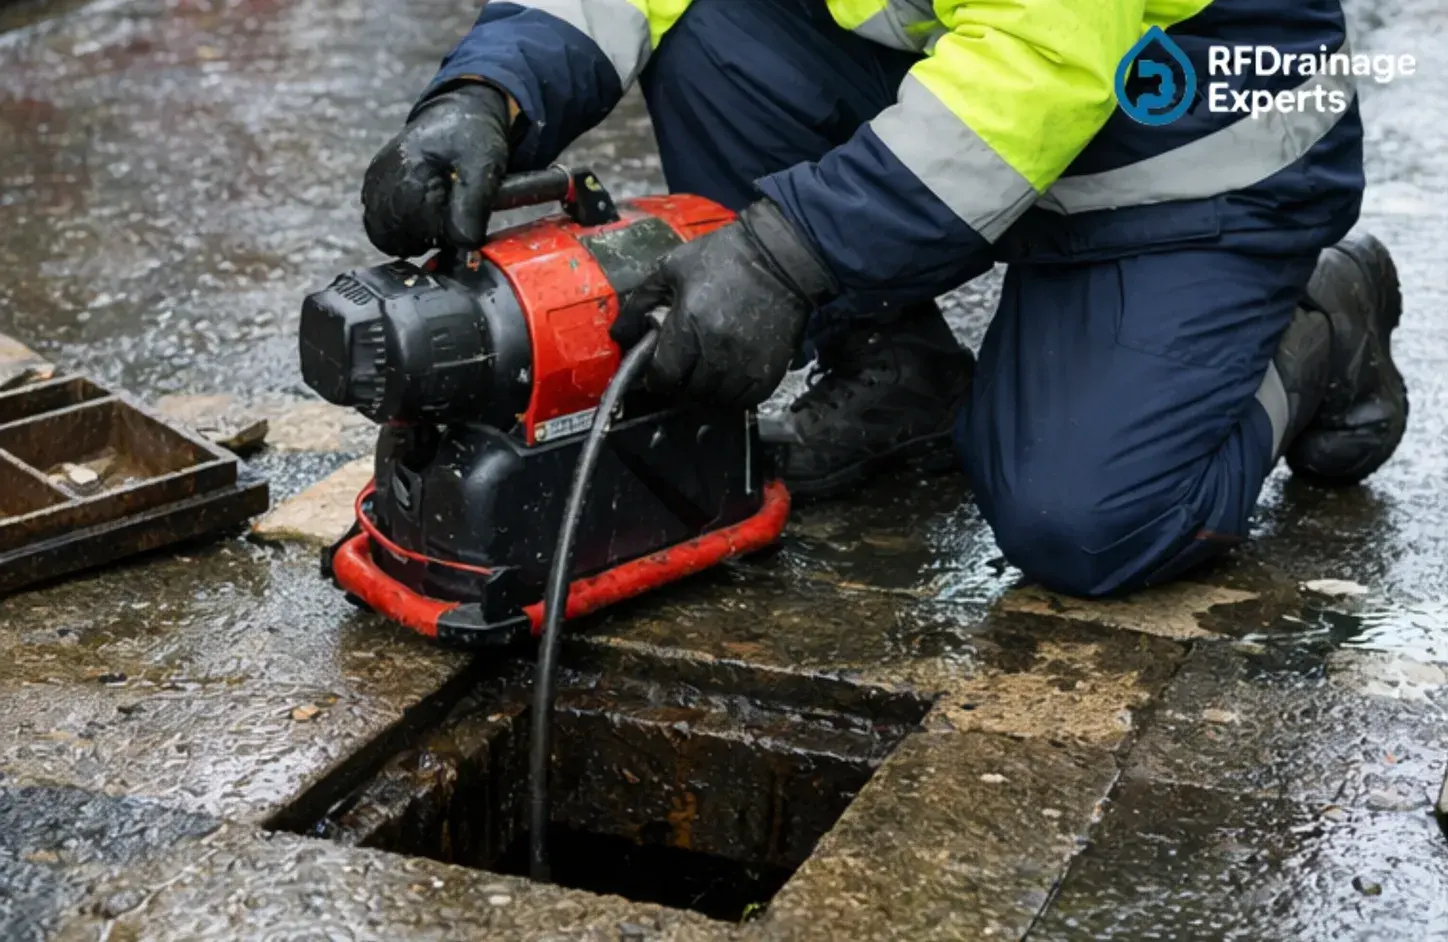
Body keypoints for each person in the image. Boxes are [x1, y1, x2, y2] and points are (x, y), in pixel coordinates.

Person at [359, 0, 1408, 598]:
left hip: (1187, 146)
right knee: (713, 28)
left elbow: (1042, 64)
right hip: (979, 84)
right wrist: (487, 92)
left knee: (1084, 525)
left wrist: (787, 254)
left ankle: (1320, 319)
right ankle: (894, 368)